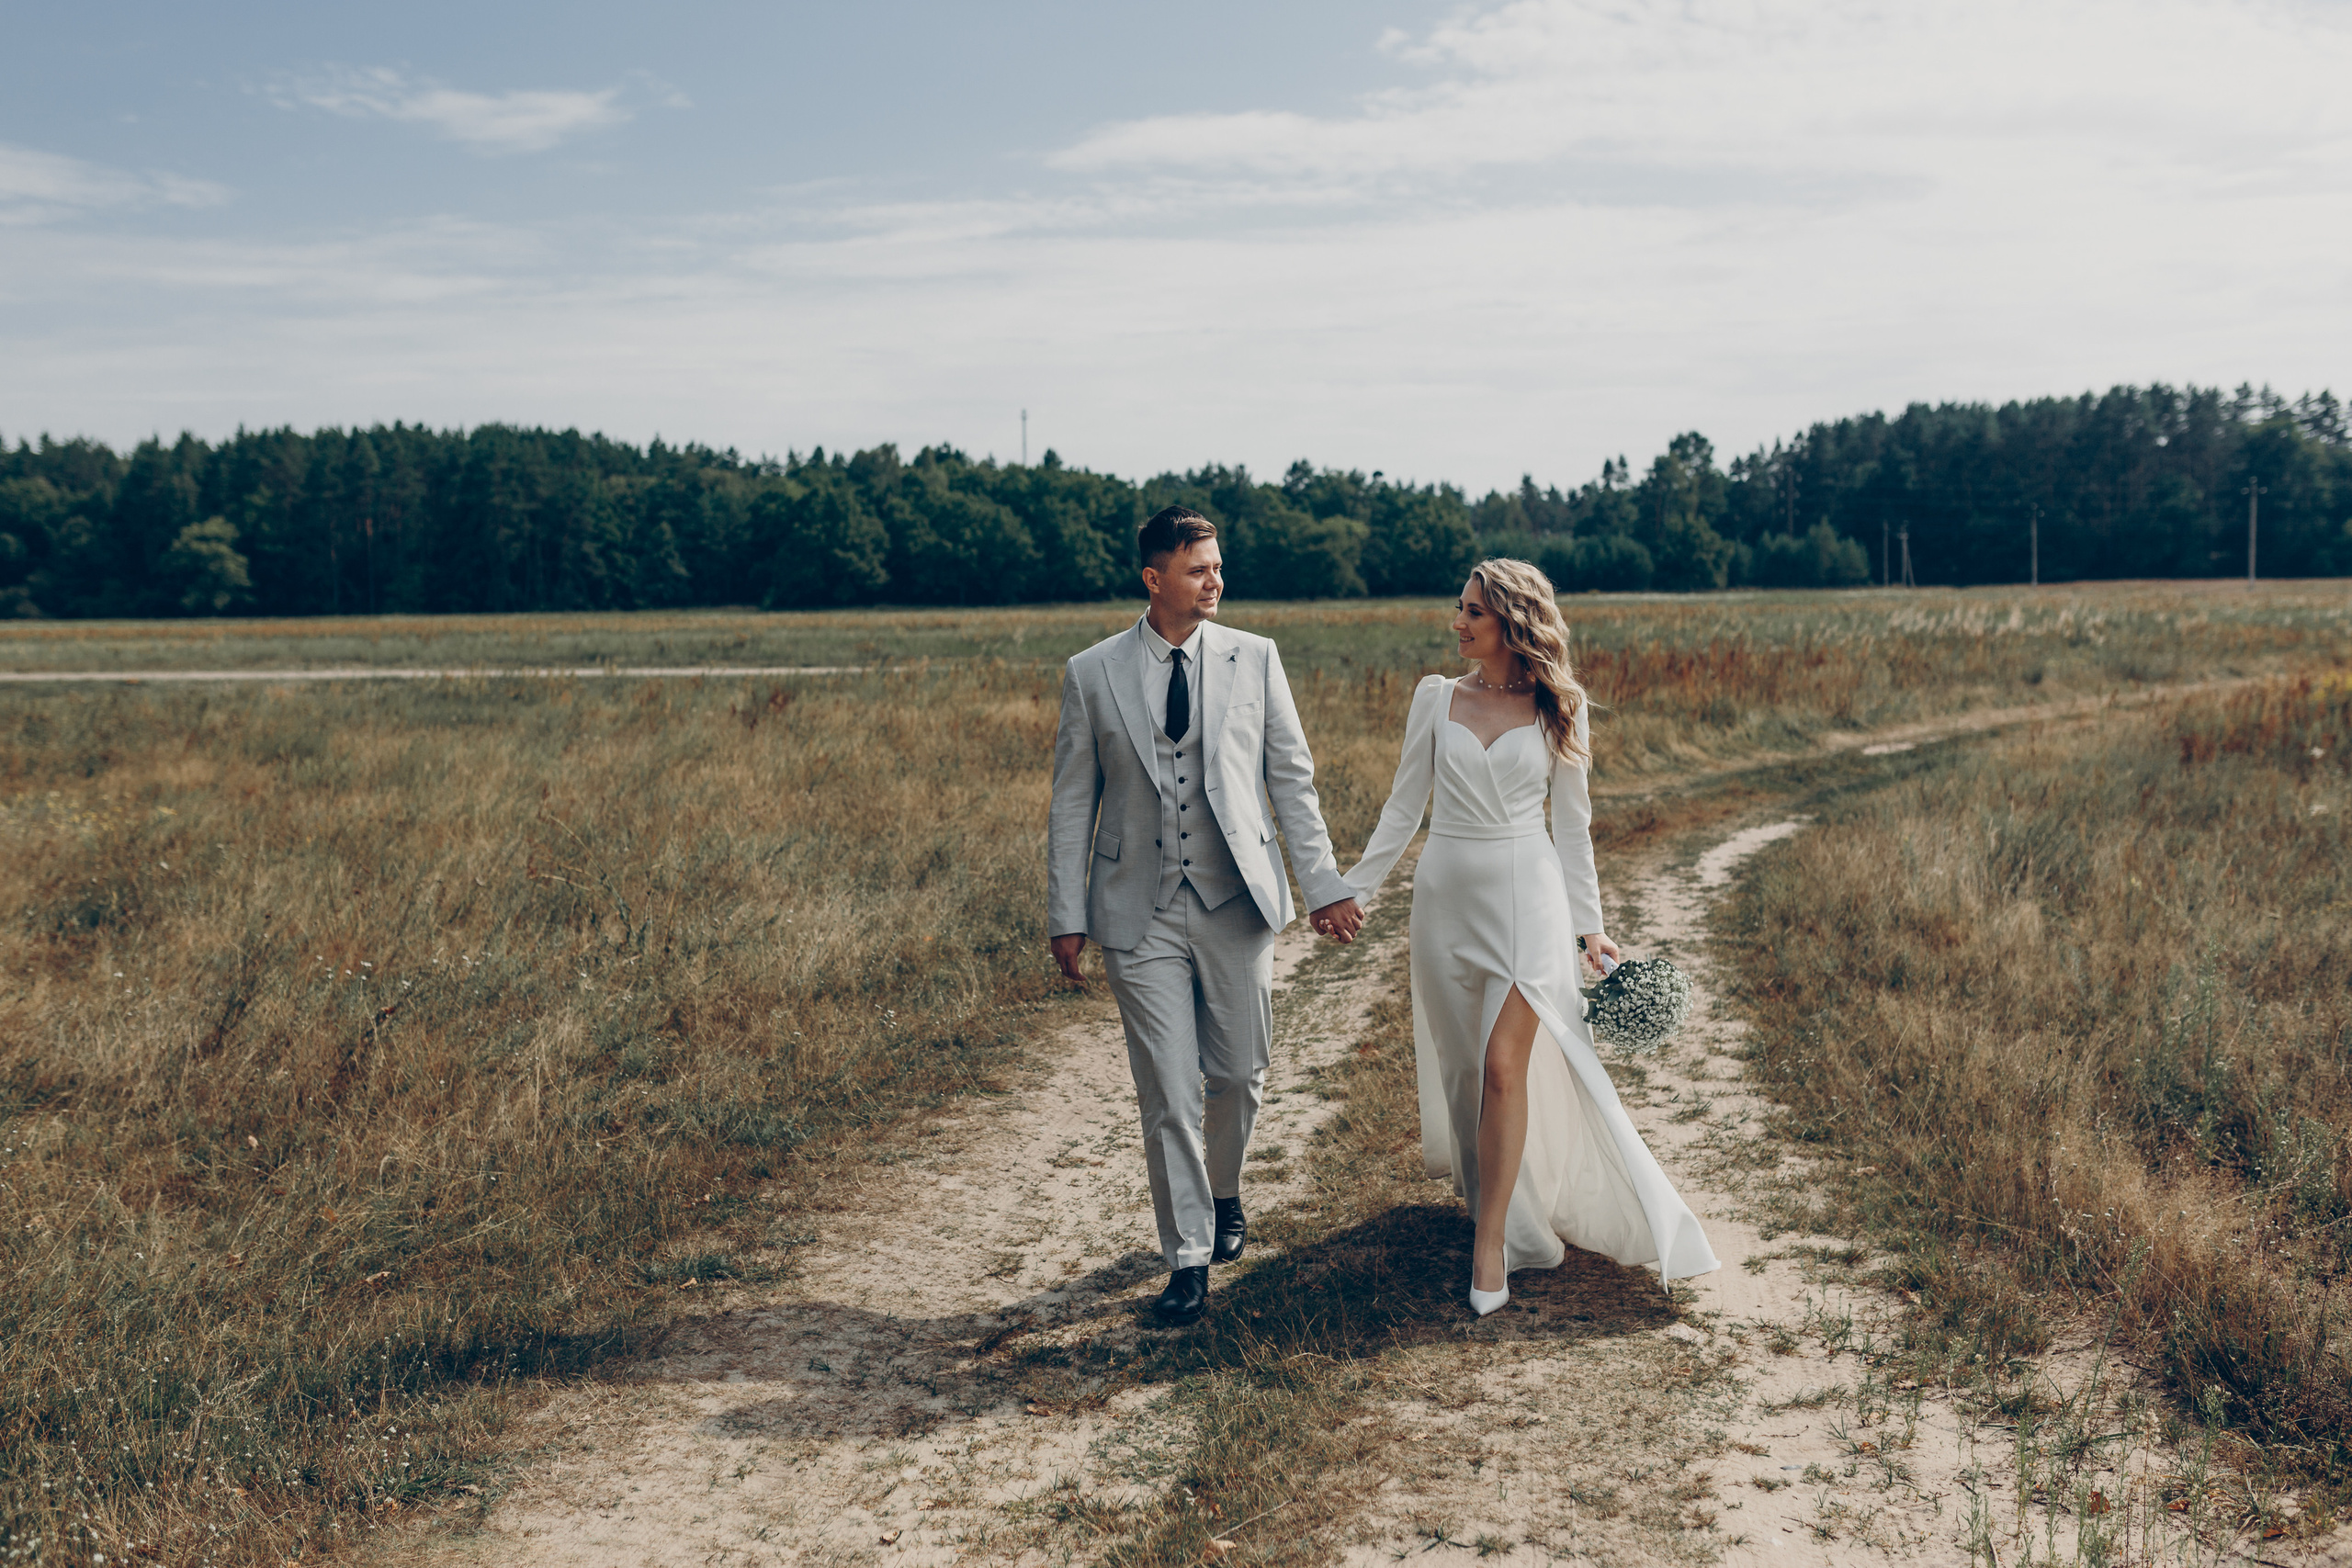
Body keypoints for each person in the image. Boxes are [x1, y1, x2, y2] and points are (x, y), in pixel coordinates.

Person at [1333, 558, 1718, 1314]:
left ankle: (1491, 1249)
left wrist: (1591, 927)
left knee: (1504, 1065)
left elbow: (1572, 831)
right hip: (1445, 898)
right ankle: (1499, 1209)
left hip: (1528, 901)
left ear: (1512, 621)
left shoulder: (1559, 705)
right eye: (1460, 607)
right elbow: (1403, 807)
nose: (1458, 623)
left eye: (1473, 612)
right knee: (1467, 1075)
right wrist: (1354, 889)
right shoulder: (1434, 699)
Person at [1046, 505, 1366, 1327]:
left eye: (1218, 565)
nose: (1216, 579)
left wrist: (1323, 881)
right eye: (1199, 568)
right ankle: (1188, 1256)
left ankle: (1224, 1189)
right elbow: (1073, 801)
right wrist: (1065, 910)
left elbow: (1291, 779)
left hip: (1235, 902)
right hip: (1136, 911)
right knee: (1166, 1091)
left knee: (1238, 1075)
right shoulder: (1092, 672)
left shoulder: (1256, 659)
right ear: (1154, 579)